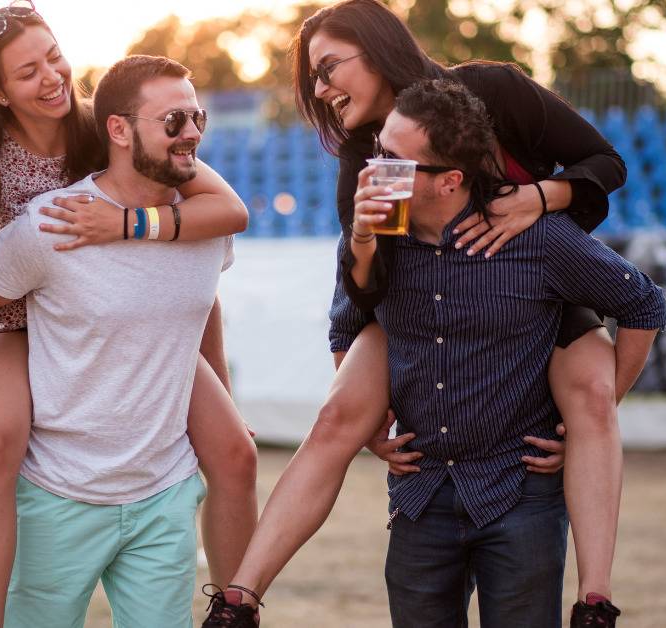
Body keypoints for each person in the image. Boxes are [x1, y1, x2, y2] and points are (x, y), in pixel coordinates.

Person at [203, 1, 629, 625]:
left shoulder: (492, 89)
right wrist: (364, 385)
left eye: (327, 70)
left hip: (530, 285)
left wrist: (536, 199)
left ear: (375, 50)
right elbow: (364, 292)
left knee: (592, 396)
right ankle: (239, 598)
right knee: (335, 418)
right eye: (312, 82)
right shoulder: (359, 157)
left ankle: (595, 601)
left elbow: (606, 165)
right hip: (422, 303)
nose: (320, 92)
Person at [0, 4, 255, 625]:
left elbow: (222, 224)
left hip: (110, 312)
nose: (51, 76)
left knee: (236, 449)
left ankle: (237, 609)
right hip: (14, 321)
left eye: (54, 56)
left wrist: (130, 221)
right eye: (28, 72)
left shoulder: (106, 128)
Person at [347, 78, 666, 627]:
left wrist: (593, 415)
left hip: (521, 494)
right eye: (378, 150)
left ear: (450, 179)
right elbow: (346, 320)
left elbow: (645, 304)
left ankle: (597, 599)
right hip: (421, 493)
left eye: (394, 159)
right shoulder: (373, 229)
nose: (375, 168)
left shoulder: (537, 237)